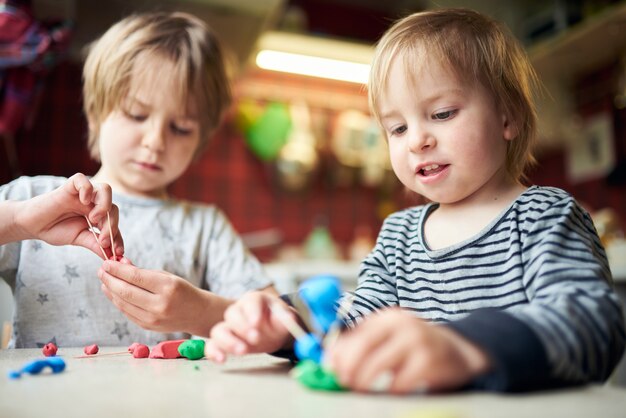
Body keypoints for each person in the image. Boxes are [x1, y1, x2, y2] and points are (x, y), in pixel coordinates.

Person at [203, 8, 626, 393]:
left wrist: (463, 348)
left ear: (507, 117)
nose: (418, 141)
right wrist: (282, 325)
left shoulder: (543, 217)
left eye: (441, 114)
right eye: (397, 128)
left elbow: (594, 327)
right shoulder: (399, 235)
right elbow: (351, 324)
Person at [0, 12, 276, 348]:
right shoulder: (33, 197)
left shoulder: (205, 228)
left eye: (181, 128)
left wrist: (200, 312)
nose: (156, 141)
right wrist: (17, 221)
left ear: (200, 140)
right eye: (137, 114)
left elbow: (277, 320)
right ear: (97, 113)